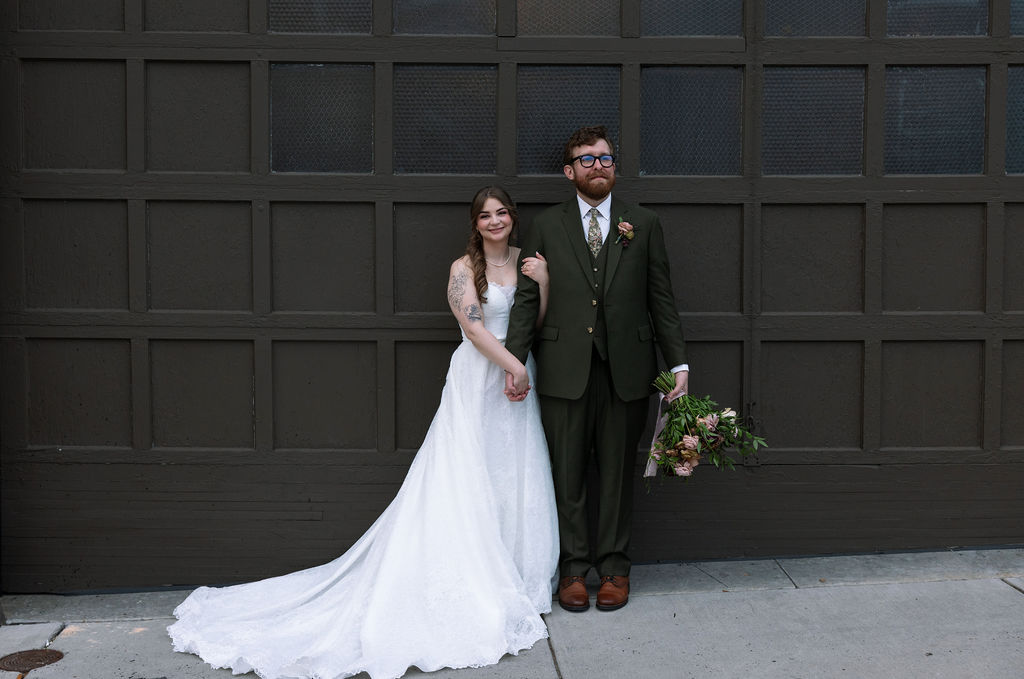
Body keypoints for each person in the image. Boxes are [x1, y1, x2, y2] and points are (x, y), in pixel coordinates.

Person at [168, 187, 558, 679]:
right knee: (470, 473)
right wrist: (512, 368)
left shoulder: (528, 262)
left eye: (502, 213)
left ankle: (516, 575)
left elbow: (534, 321)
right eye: (486, 215)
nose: (495, 221)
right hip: (482, 376)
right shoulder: (464, 270)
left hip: (520, 373)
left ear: (513, 218)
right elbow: (476, 331)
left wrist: (542, 284)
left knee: (515, 472)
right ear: (475, 224)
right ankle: (473, 579)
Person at [505, 125, 688, 613]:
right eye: (586, 160)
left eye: (605, 158)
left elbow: (661, 299)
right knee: (567, 475)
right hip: (565, 368)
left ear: (615, 166)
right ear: (569, 172)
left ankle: (614, 569)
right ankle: (572, 570)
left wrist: (679, 365)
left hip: (627, 368)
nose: (598, 166)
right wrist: (515, 362)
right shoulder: (546, 225)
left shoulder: (643, 223)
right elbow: (527, 299)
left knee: (616, 474)